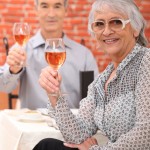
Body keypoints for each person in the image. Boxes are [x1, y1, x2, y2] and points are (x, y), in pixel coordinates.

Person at [33, 0, 150, 149]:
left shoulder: (146, 62)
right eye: (99, 24)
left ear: (136, 28)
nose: (107, 31)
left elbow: (146, 133)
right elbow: (77, 135)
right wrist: (53, 94)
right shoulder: (101, 82)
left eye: (116, 22)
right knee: (47, 145)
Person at [0, 0, 99, 109]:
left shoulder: (84, 55)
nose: (51, 14)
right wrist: (13, 70)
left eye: (57, 6)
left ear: (65, 10)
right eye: (44, 6)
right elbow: (4, 87)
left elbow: (93, 99)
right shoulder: (22, 49)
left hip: (70, 124)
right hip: (32, 125)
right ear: (36, 9)